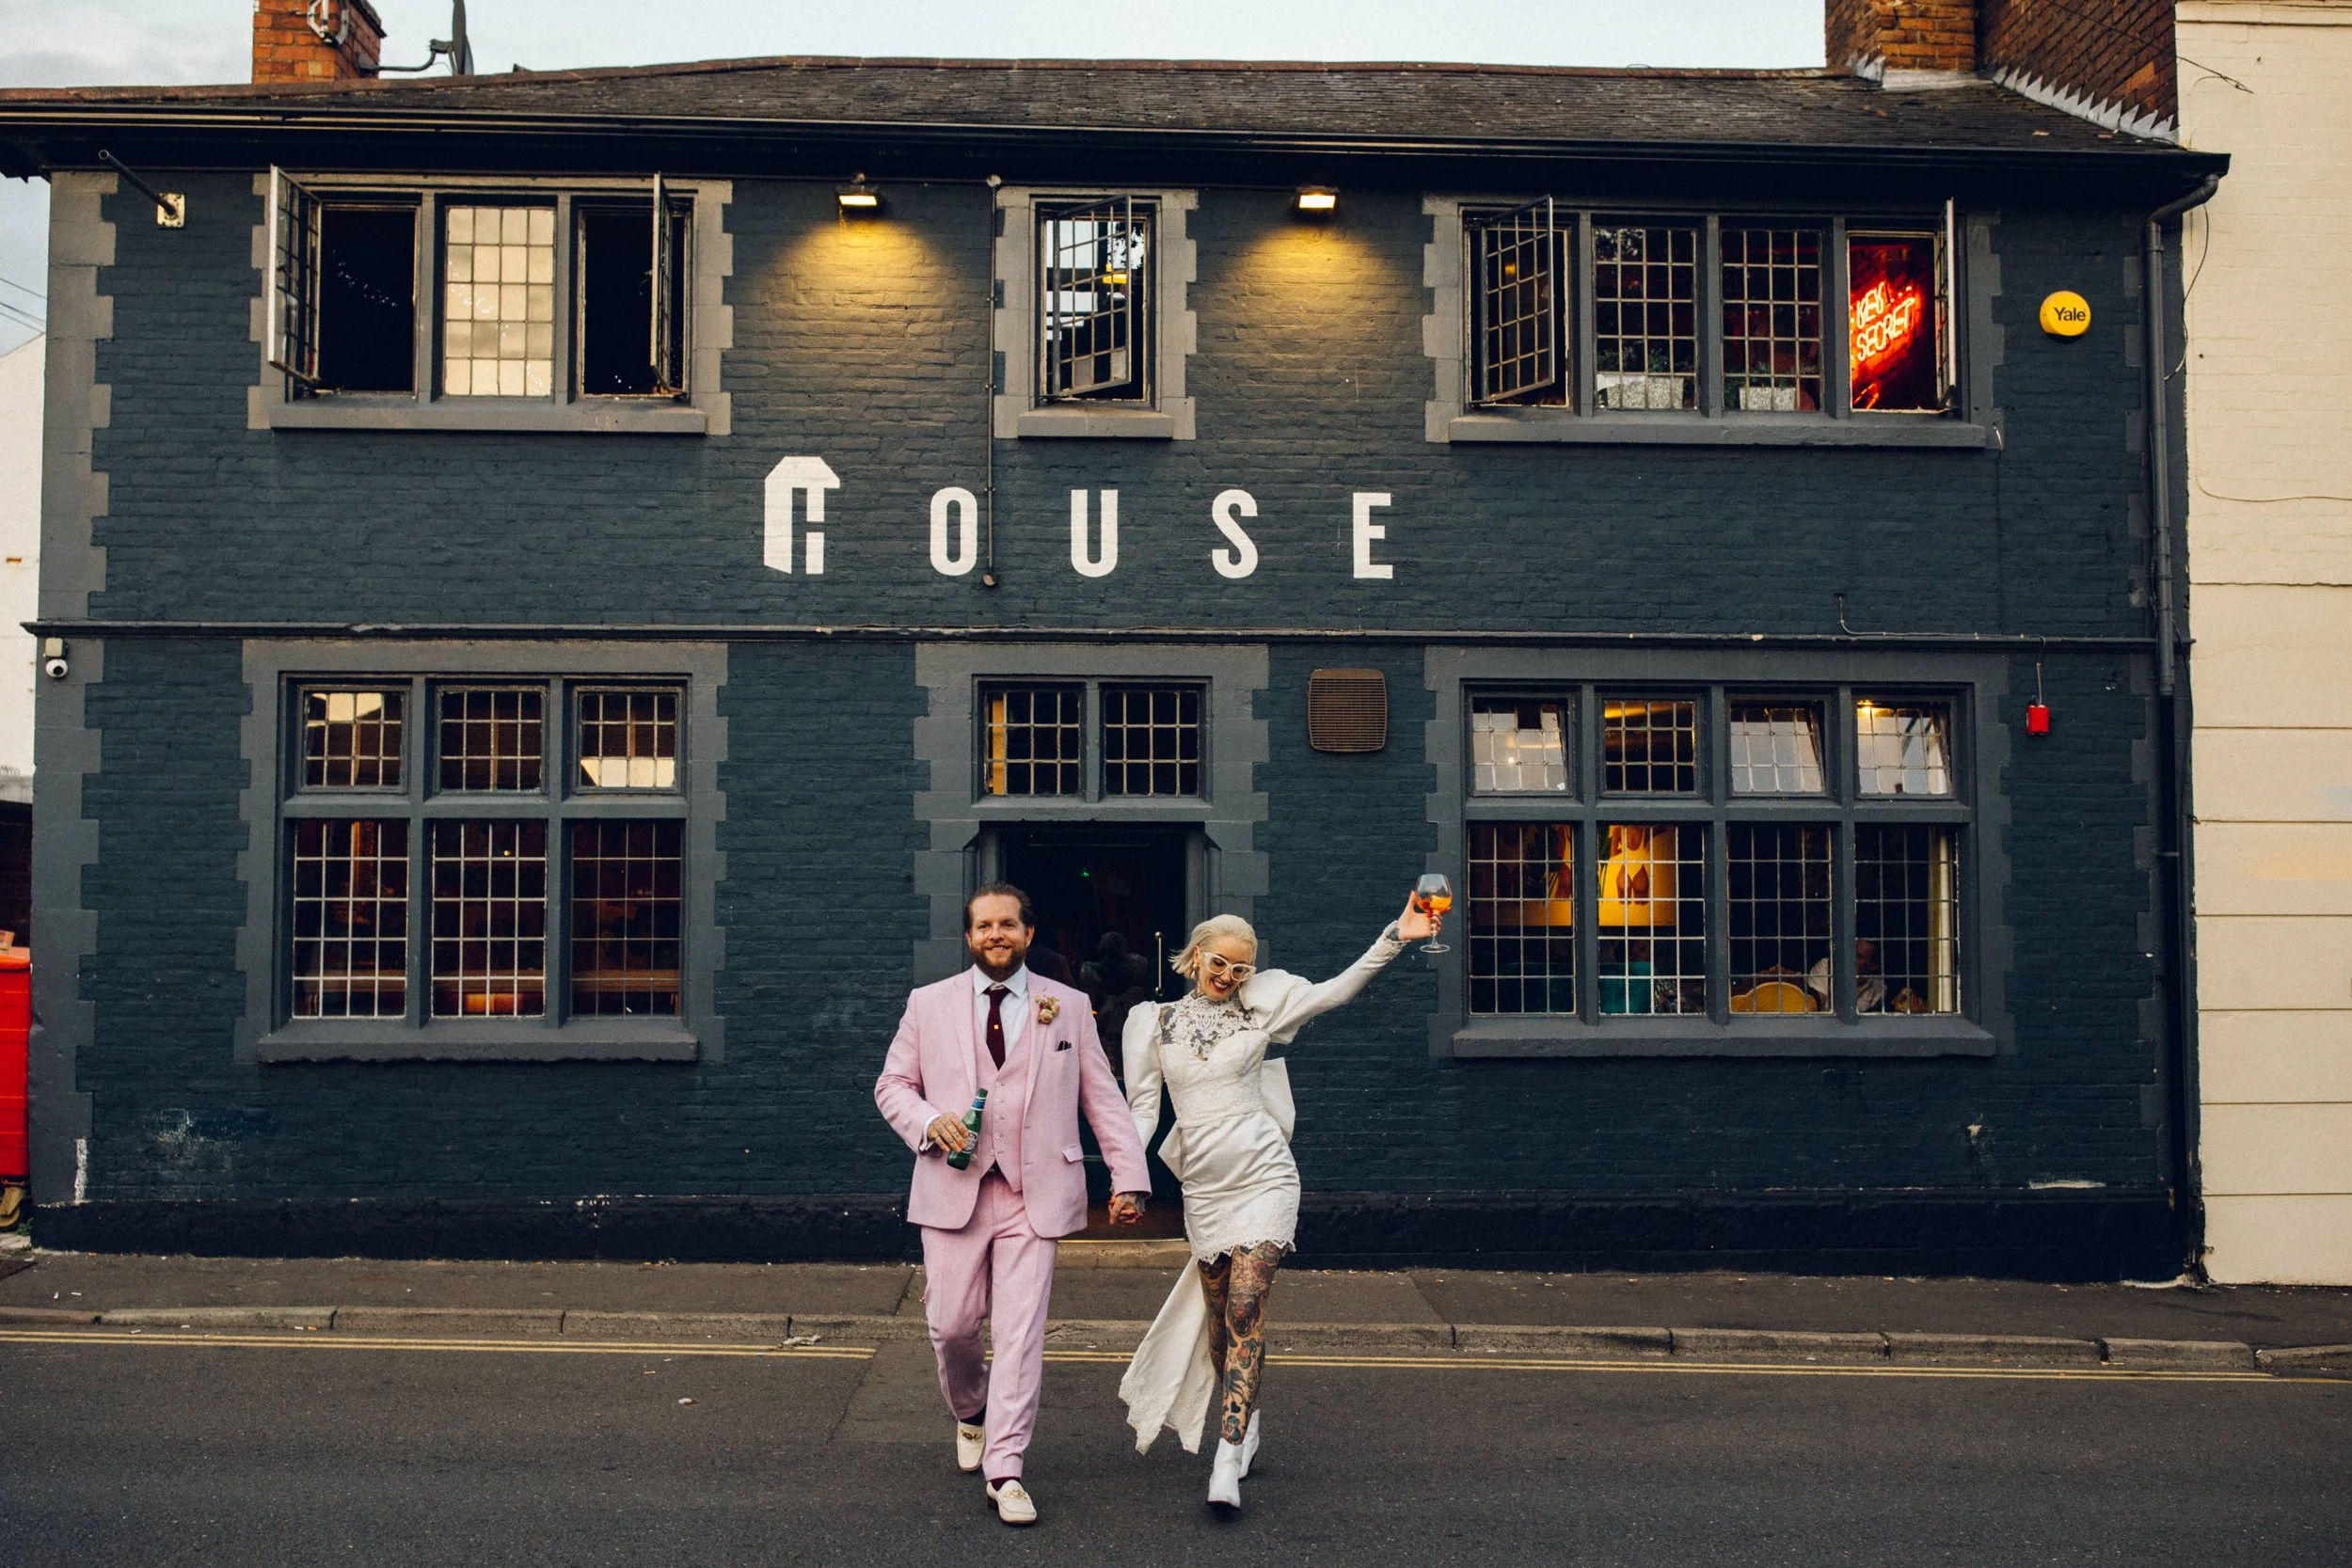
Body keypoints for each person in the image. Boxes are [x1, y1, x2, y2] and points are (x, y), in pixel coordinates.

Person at [1117, 893, 1440, 1511]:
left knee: (1245, 1309)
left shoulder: (1262, 1008)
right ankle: (1250, 1415)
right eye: (1219, 963)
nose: (1228, 977)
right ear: (1195, 956)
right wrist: (1128, 1179)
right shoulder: (1153, 1023)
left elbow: (1337, 990)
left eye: (1240, 968)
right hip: (1205, 1190)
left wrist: (1395, 934)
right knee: (1220, 1329)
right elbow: (1143, 1111)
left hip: (1265, 1174)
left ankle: (1227, 1454)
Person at [874, 881, 1153, 1527]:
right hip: (953, 1189)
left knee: (1022, 1334)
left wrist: (1128, 1176)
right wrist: (927, 1120)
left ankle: (1007, 1469)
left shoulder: (1070, 1006)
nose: (995, 934)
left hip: (1037, 1195)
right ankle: (970, 1409)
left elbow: (1103, 1098)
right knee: (951, 1326)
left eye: (1008, 924)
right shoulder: (928, 1004)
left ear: (1029, 934)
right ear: (969, 937)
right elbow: (892, 1083)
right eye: (983, 926)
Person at [1807, 937, 1885, 1012]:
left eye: (1858, 956)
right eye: (1850, 952)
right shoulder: (1827, 966)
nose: (1850, 958)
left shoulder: (1878, 988)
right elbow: (1815, 1009)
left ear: (1873, 965)